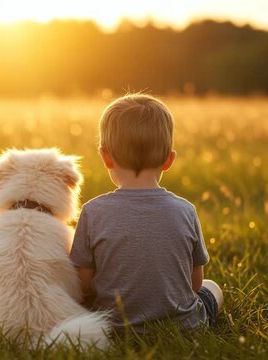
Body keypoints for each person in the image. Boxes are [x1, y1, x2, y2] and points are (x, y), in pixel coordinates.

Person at [70, 93, 223, 333]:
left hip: (111, 327)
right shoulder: (186, 210)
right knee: (212, 287)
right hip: (183, 327)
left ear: (105, 156)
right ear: (169, 160)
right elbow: (195, 284)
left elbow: (84, 284)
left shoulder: (92, 211)